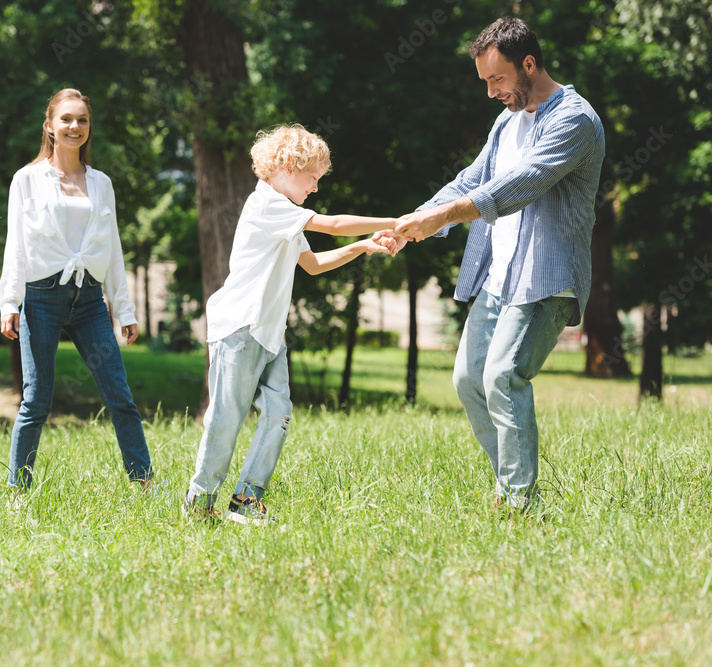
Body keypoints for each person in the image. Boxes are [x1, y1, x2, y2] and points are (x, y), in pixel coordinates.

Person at [382, 18, 605, 514]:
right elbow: (473, 179)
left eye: (497, 79)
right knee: (468, 380)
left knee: (503, 376)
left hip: (546, 278)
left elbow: (513, 187)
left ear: (529, 64)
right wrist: (413, 222)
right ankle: (514, 484)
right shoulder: (508, 120)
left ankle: (520, 505)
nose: (491, 92)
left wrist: (440, 216)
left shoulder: (574, 120)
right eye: (485, 81)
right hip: (500, 276)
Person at [185, 124, 401, 525]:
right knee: (226, 419)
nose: (316, 188)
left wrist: (365, 245)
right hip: (240, 329)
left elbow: (313, 264)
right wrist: (399, 221)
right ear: (287, 165)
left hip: (269, 336)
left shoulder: (285, 216)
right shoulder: (266, 205)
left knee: (279, 414)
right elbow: (332, 224)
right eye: (313, 178)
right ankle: (199, 501)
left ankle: (246, 500)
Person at [0, 88, 154, 494]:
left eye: (82, 120)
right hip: (42, 298)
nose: (74, 127)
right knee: (36, 401)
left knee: (120, 395)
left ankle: (143, 484)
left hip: (88, 300)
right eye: (66, 119)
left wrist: (125, 309)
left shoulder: (101, 184)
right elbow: (16, 243)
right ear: (50, 126)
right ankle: (19, 492)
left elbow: (112, 248)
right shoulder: (26, 180)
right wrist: (8, 301)